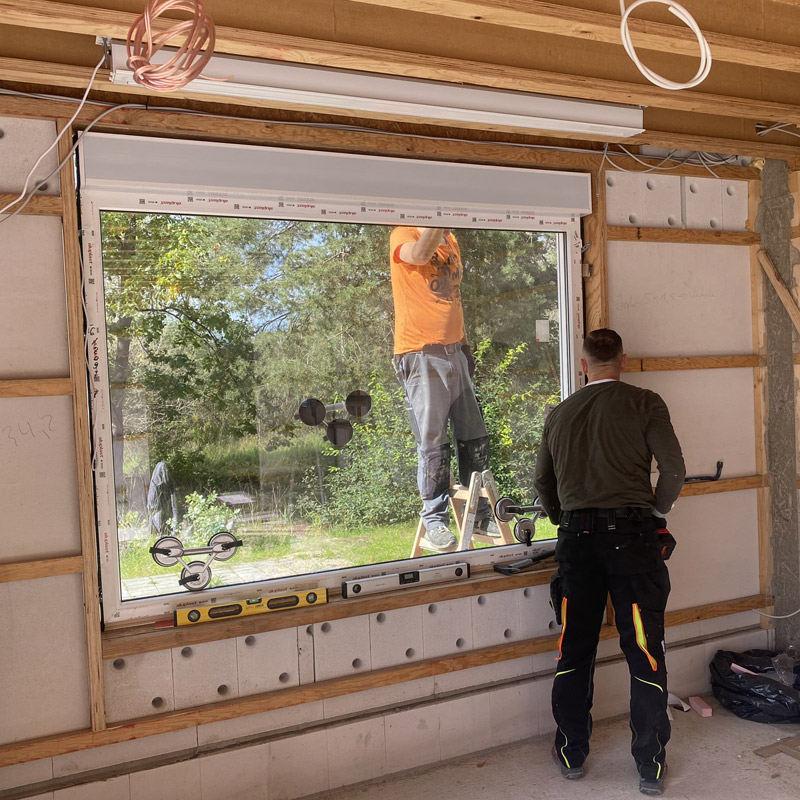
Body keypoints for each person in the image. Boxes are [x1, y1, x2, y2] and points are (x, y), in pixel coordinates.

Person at [533, 328, 685, 797]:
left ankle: (571, 754)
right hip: (633, 542)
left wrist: (566, 520)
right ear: (623, 359)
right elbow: (674, 469)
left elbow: (543, 484)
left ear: (583, 366)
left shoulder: (560, 413)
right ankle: (649, 766)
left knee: (575, 647)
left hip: (578, 544)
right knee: (643, 649)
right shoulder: (645, 402)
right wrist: (656, 513)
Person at [389, 225, 495, 552]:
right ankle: (435, 518)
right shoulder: (403, 235)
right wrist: (438, 218)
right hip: (420, 353)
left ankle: (478, 514)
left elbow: (452, 298)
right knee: (433, 438)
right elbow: (419, 255)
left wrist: (464, 348)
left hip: (454, 351)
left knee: (473, 433)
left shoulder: (450, 239)